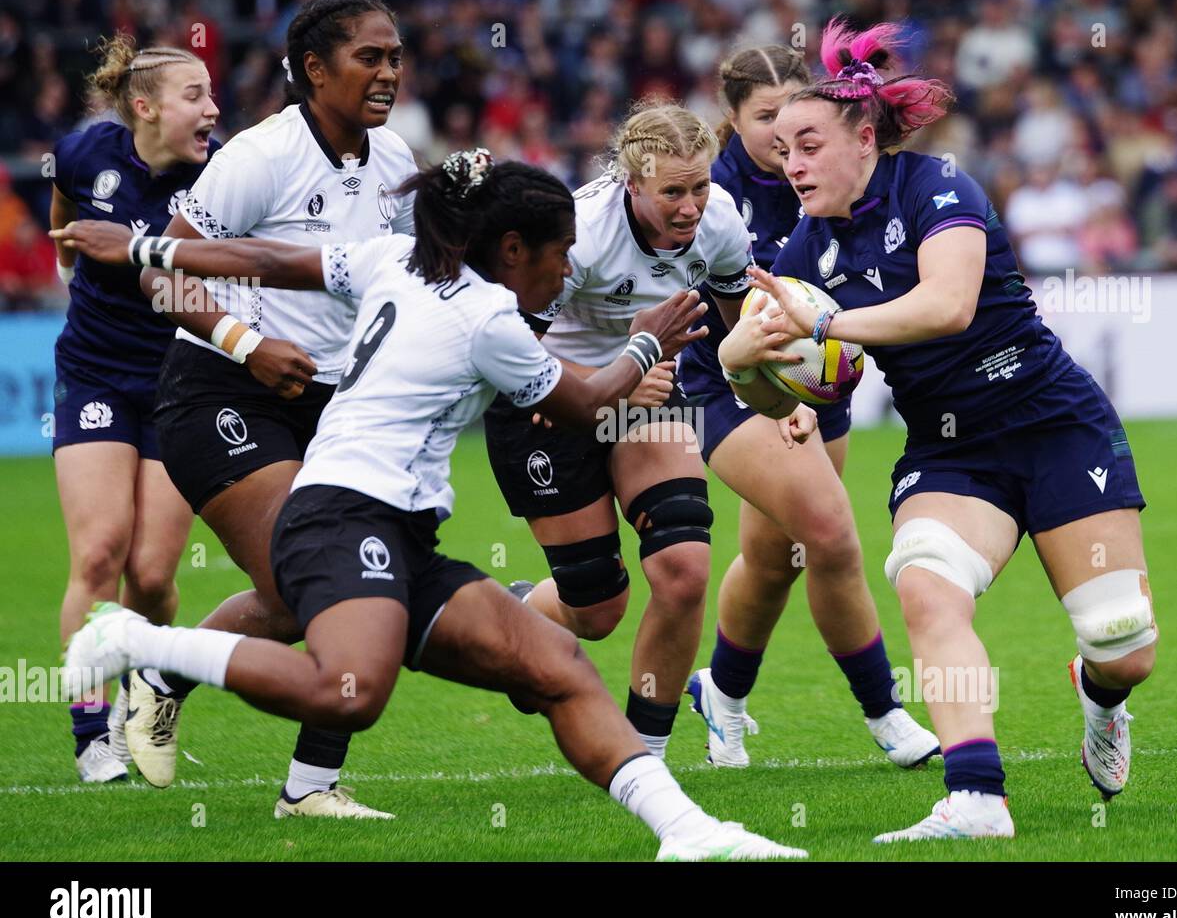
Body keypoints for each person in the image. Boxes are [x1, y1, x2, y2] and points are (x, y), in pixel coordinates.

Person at [57, 154, 806, 861]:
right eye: (561, 251)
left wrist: (143, 248)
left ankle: (690, 832)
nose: (569, 268)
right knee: (348, 692)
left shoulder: (393, 259)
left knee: (559, 669)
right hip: (343, 518)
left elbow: (264, 259)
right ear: (513, 248)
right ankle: (138, 643)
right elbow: (583, 404)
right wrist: (645, 345)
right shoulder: (490, 321)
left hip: (401, 528)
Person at [720, 19, 1157, 841]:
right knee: (924, 580)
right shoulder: (803, 253)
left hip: (1054, 422)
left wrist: (824, 329)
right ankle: (977, 799)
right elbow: (791, 405)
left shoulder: (939, 187)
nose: (794, 164)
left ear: (864, 135)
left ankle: (1102, 699)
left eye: (808, 142)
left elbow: (947, 305)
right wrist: (745, 364)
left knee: (1122, 642)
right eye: (781, 151)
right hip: (951, 450)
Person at [119, 0, 418, 818]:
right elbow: (159, 273)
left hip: (335, 403)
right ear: (315, 70)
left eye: (395, 56)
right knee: (326, 586)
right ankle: (308, 788)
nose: (389, 72)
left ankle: (167, 673)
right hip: (223, 389)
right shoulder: (262, 155)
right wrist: (248, 343)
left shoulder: (395, 158)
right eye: (370, 57)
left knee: (330, 589)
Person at [482, 102, 771, 759]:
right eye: (672, 191)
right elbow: (504, 350)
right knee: (597, 611)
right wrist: (618, 367)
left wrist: (783, 395)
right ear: (629, 184)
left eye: (699, 185)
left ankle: (647, 757)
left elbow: (740, 325)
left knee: (684, 569)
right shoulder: (578, 231)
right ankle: (516, 611)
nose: (691, 205)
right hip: (544, 400)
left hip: (648, 397)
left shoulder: (718, 217)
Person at [678, 44, 939, 768]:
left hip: (816, 377)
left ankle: (721, 693)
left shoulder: (820, 177)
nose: (781, 139)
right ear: (731, 120)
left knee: (774, 558)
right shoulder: (708, 190)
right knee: (830, 536)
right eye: (764, 120)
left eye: (796, 125)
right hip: (721, 380)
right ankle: (885, 712)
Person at [47, 34, 219, 782]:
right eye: (195, 96)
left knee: (151, 575)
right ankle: (91, 737)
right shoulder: (85, 154)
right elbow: (64, 225)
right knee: (98, 553)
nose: (213, 108)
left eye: (213, 94)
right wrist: (80, 261)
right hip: (92, 374)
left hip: (181, 381)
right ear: (144, 108)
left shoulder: (222, 179)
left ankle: (141, 703)